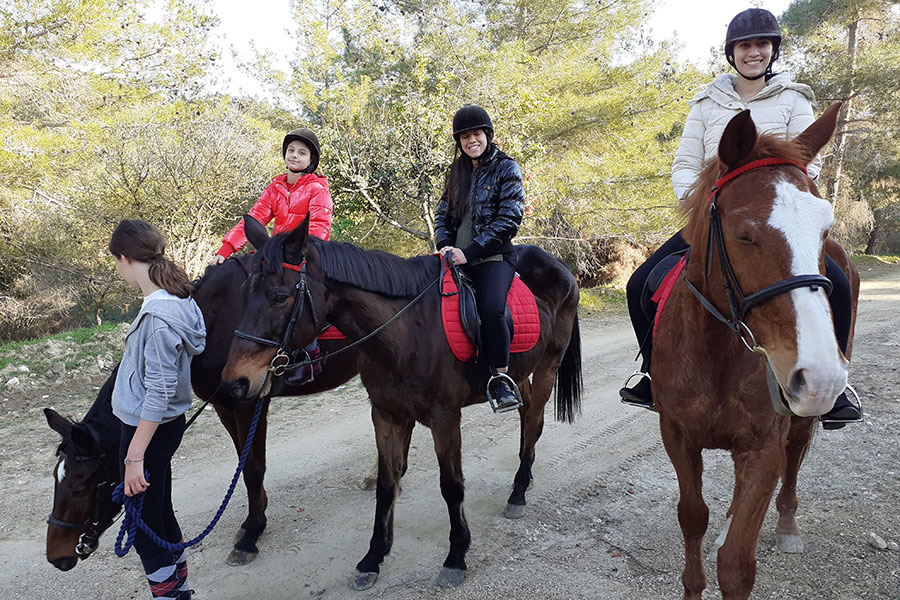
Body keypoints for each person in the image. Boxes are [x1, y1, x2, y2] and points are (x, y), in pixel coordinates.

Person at [619, 8, 862, 429]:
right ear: (732, 53)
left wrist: (781, 193)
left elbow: (808, 162)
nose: (754, 53)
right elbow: (685, 163)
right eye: (745, 46)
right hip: (715, 216)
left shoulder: (794, 98)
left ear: (772, 51)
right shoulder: (706, 102)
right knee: (641, 283)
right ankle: (650, 373)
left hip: (780, 220)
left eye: (762, 45)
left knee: (838, 283)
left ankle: (836, 385)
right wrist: (700, 205)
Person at [109, 220, 206, 599]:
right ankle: (178, 586)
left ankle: (170, 594)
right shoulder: (178, 300)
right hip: (161, 428)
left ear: (125, 258)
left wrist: (134, 457)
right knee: (160, 512)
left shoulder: (158, 315)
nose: (117, 271)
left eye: (115, 263)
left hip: (144, 431)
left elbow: (159, 391)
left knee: (145, 525)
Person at [211, 128, 333, 385]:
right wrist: (226, 250)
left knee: (305, 294)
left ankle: (310, 353)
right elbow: (254, 219)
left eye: (302, 152)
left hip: (305, 253)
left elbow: (320, 226)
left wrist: (300, 250)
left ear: (311, 160)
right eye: (291, 150)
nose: (295, 156)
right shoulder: (275, 187)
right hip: (277, 255)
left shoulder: (318, 189)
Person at [434, 104, 526, 413]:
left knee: (489, 309)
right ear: (459, 141)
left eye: (476, 134)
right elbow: (442, 212)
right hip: (453, 255)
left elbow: (509, 219)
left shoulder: (507, 168)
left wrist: (469, 252)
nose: (471, 140)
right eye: (465, 137)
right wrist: (446, 243)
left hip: (493, 256)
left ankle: (501, 378)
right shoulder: (457, 171)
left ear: (487, 135)